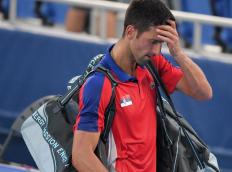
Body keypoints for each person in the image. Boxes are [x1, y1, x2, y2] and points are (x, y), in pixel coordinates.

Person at [72, 0, 213, 171]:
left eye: (161, 43)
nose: (156, 50)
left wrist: (178, 53)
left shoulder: (152, 63)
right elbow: (81, 156)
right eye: (153, 41)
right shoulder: (99, 84)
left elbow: (203, 92)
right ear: (130, 31)